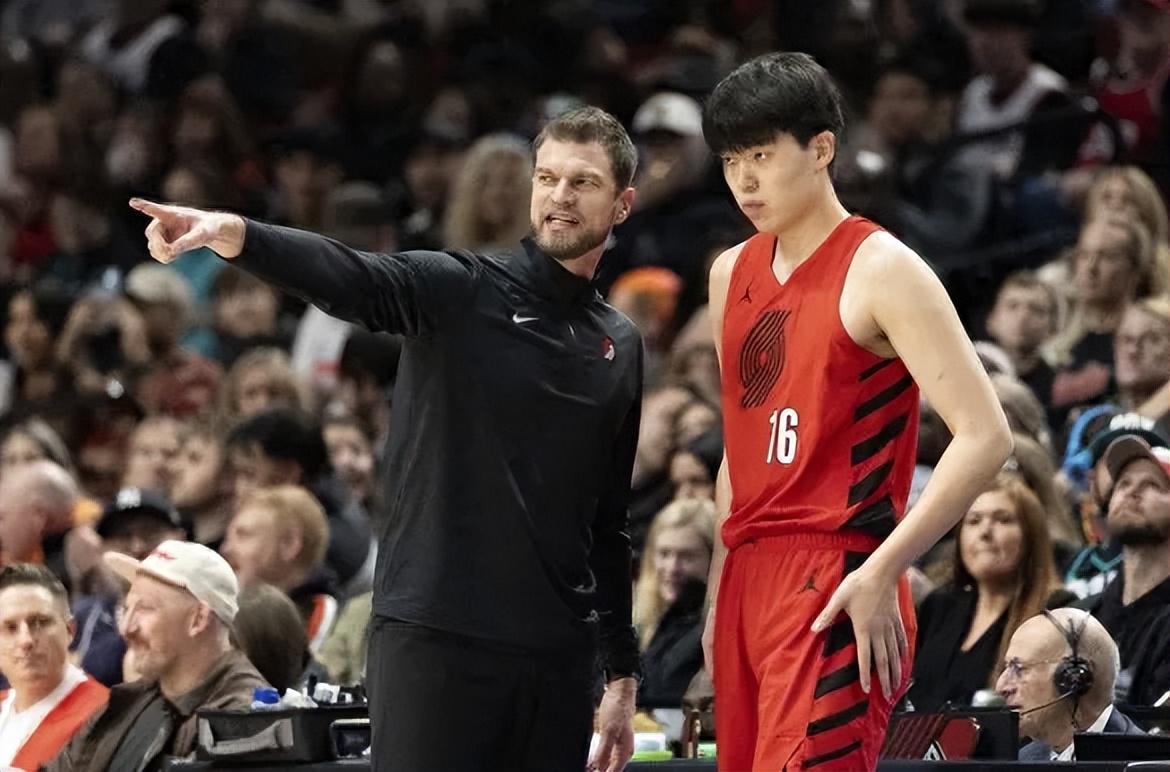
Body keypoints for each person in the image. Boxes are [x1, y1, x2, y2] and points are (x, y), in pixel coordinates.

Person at [130, 105, 642, 772]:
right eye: (547, 178)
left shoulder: (620, 344)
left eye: (583, 182)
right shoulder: (464, 289)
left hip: (557, 659)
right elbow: (353, 276)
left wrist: (622, 672)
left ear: (622, 204)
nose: (560, 196)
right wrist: (237, 234)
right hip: (439, 639)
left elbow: (607, 522)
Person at [700, 52, 1013, 771]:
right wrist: (718, 599)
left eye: (760, 155)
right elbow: (738, 456)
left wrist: (884, 568)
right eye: (729, 161)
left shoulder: (884, 268)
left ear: (821, 149)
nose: (743, 180)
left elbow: (986, 436)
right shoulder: (728, 272)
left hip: (838, 573)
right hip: (746, 574)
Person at [46, 540, 265, 771]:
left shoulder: (246, 720)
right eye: (127, 609)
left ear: (198, 619)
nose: (126, 628)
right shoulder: (129, 700)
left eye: (145, 609)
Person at [908, 474, 1062, 712]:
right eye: (974, 521)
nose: (985, 532)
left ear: (1031, 535)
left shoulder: (1054, 612)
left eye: (1003, 520)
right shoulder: (938, 605)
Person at [0, 564, 108, 771]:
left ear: (70, 630)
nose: (26, 640)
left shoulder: (102, 714)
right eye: (10, 627)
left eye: (39, 622)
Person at [996, 609, 1143, 761]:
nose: (1001, 687)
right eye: (1006, 667)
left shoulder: (1143, 762)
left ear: (1075, 678)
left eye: (1019, 668)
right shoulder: (1023, 759)